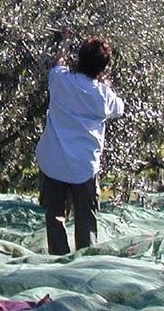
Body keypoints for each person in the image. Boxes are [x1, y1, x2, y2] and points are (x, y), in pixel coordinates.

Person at [35, 34, 124, 255]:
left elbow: (57, 64)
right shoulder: (103, 96)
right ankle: (84, 262)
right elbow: (119, 108)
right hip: (84, 166)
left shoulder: (61, 80)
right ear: (102, 69)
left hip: (54, 162)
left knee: (55, 217)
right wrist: (106, 83)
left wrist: (64, 43)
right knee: (86, 220)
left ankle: (59, 260)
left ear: (79, 59)